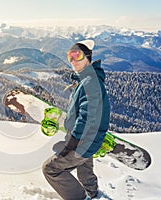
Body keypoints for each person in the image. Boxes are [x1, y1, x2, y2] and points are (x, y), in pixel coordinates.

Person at [42, 39, 110, 200]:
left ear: (88, 57)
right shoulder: (86, 80)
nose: (72, 60)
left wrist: (73, 140)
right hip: (87, 140)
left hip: (81, 141)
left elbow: (88, 116)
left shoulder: (90, 82)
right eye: (69, 56)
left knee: (51, 169)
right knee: (84, 169)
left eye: (77, 55)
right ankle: (93, 194)